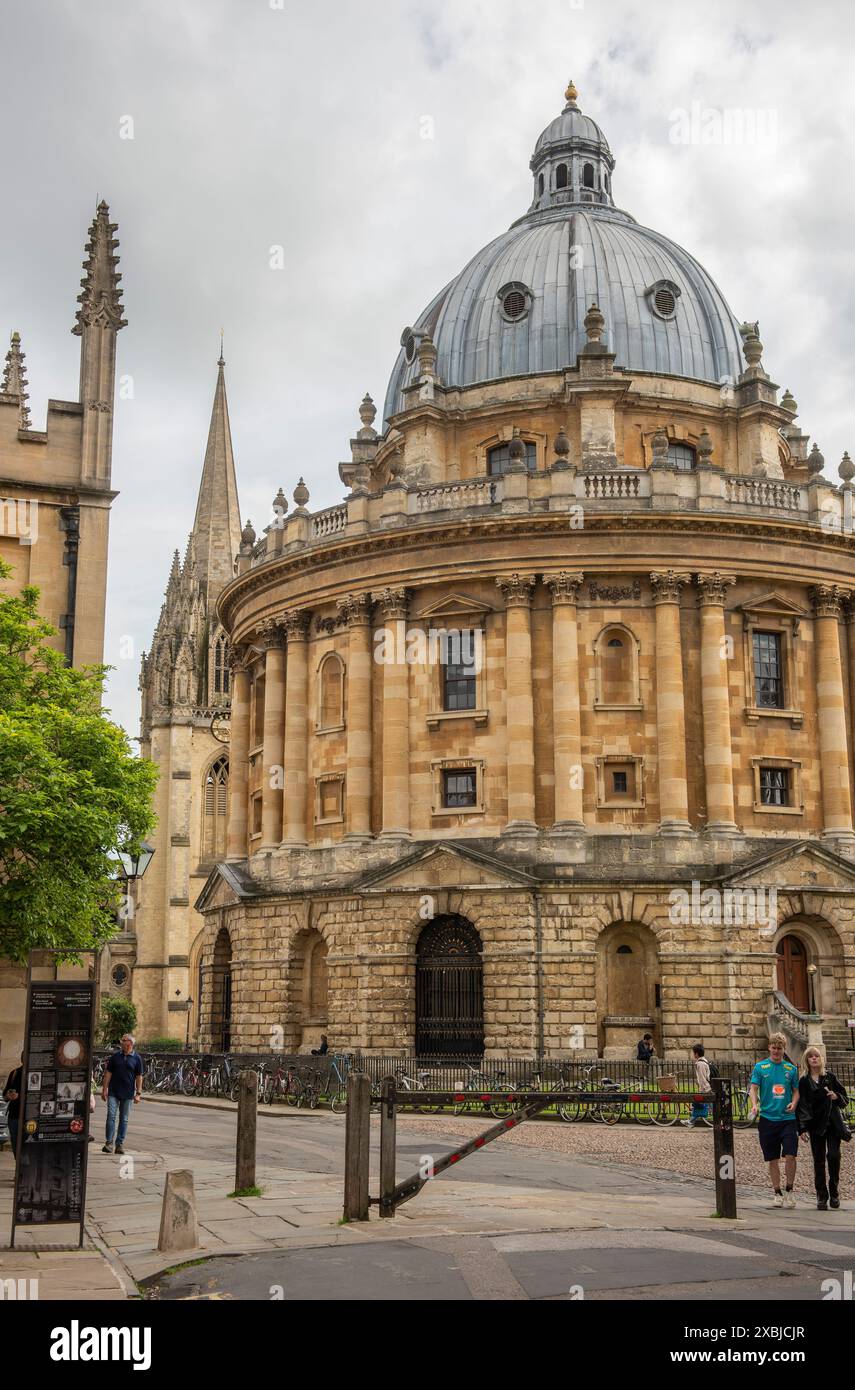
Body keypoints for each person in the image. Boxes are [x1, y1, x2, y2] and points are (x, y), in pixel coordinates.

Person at [749, 1033, 800, 1208]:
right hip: (768, 1118)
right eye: (774, 1047)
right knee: (772, 1158)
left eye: (780, 1048)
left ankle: (790, 1189)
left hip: (787, 1119)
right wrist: (754, 1105)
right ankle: (777, 1192)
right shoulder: (760, 1067)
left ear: (784, 1049)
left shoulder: (791, 1069)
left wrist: (794, 1103)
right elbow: (753, 1089)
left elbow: (795, 1091)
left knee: (791, 1155)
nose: (776, 1051)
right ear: (769, 1047)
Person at [797, 1045, 849, 1211]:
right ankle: (822, 1195)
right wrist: (802, 1128)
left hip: (832, 1124)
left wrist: (836, 1096)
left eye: (817, 1056)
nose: (814, 1058)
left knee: (834, 1156)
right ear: (807, 1060)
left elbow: (845, 1099)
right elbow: (802, 1105)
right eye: (811, 1056)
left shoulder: (830, 1077)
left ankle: (834, 1191)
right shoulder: (804, 1081)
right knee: (818, 1160)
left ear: (821, 1059)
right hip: (815, 1125)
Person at [101, 1034, 144, 1155]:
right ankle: (109, 1143)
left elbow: (139, 1076)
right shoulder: (115, 1056)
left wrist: (138, 1093)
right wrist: (104, 1089)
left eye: (124, 1041)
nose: (121, 1042)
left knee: (124, 1119)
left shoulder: (137, 1058)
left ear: (130, 1043)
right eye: (122, 1040)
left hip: (128, 1093)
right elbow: (108, 1073)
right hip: (113, 1091)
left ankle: (119, 1144)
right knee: (111, 1116)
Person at [682, 1043, 712, 1127]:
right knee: (698, 1104)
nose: (693, 1054)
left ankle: (691, 1122)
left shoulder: (700, 1064)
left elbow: (702, 1079)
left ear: (696, 1053)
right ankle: (691, 1121)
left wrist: (703, 1091)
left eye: (693, 1052)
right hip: (708, 1088)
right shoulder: (703, 1061)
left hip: (707, 1089)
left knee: (704, 1104)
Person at [3, 1053, 24, 1157]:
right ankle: (19, 1171)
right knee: (16, 1147)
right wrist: (8, 1096)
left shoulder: (37, 1073)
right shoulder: (15, 1073)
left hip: (31, 1117)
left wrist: (19, 1096)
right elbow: (5, 1096)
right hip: (14, 1117)